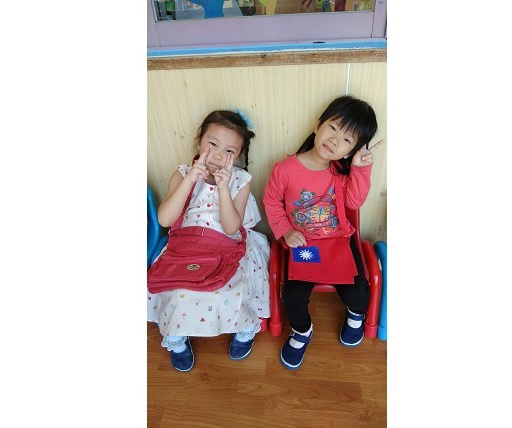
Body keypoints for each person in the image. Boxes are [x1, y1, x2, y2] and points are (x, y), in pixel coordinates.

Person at [262, 95, 383, 370]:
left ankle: (355, 316)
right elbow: (271, 201)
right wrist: (285, 231)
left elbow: (354, 202)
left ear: (350, 152)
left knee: (358, 295)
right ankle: (302, 331)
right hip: (306, 245)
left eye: (347, 140)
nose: (335, 140)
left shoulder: (341, 173)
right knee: (293, 299)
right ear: (318, 126)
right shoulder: (285, 169)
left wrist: (361, 169)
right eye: (333, 128)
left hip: (338, 241)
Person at [147, 110, 270, 372]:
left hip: (224, 245)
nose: (217, 155)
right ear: (199, 141)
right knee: (178, 291)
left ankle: (244, 328)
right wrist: (190, 179)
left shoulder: (241, 181)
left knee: (226, 289)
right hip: (186, 245)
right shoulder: (182, 173)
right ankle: (176, 338)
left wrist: (224, 188)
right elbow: (165, 219)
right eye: (212, 144)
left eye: (229, 151)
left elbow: (231, 227)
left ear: (238, 155)